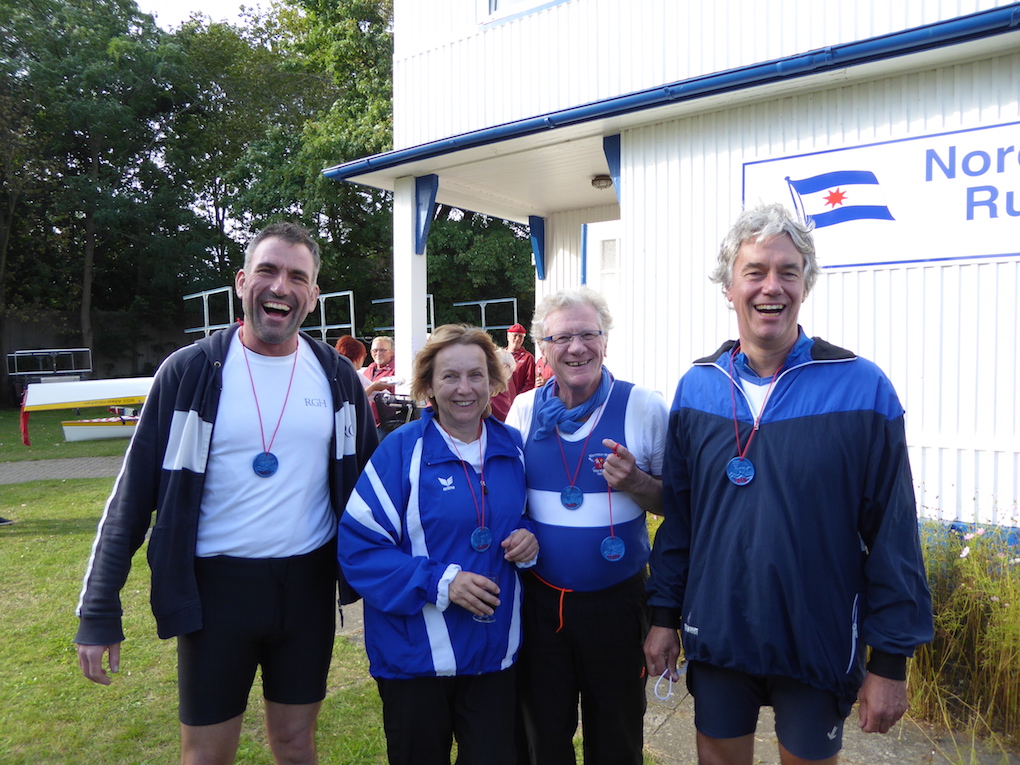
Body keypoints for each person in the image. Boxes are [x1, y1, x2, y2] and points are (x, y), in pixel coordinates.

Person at [74, 222, 378, 765]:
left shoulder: (338, 379)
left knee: (295, 743)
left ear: (313, 296)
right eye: (267, 270)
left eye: (296, 276)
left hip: (306, 590)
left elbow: (374, 492)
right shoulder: (189, 372)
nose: (280, 286)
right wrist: (99, 609)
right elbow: (132, 495)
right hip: (217, 594)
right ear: (242, 282)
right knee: (206, 755)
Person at [644, 203, 933, 765]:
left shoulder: (861, 388)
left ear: (806, 284)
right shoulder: (697, 387)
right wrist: (662, 618)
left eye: (788, 271)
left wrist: (890, 662)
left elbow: (893, 534)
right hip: (720, 635)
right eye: (754, 272)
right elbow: (681, 520)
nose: (770, 287)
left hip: (816, 640)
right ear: (728, 287)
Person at [338, 324, 539, 765]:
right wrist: (441, 583)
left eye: (476, 375)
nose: (464, 389)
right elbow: (359, 549)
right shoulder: (399, 451)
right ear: (428, 384)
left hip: (493, 657)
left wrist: (530, 537)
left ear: (493, 381)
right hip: (414, 661)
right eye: (450, 376)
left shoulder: (515, 449)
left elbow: (527, 519)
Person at [506, 287, 668, 765]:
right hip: (540, 604)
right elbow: (507, 500)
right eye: (562, 338)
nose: (576, 348)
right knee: (545, 737)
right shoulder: (523, 411)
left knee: (617, 739)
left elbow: (676, 506)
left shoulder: (644, 406)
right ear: (544, 349)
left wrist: (637, 481)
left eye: (587, 335)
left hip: (617, 604)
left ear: (605, 342)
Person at [506, 323, 536, 396]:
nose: (517, 339)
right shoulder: (500, 355)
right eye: (515, 335)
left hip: (518, 401)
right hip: (501, 401)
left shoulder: (528, 357)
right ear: (508, 336)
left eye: (520, 336)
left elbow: (530, 383)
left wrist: (519, 399)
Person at [490, 347, 518, 422]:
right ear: (505, 367)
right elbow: (504, 415)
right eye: (511, 371)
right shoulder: (498, 384)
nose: (510, 376)